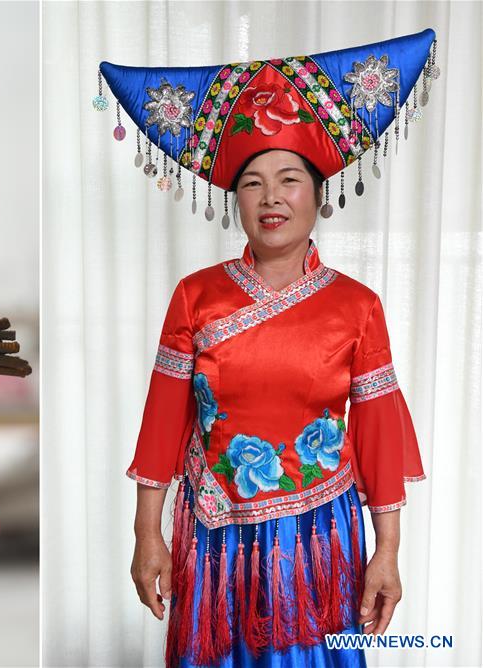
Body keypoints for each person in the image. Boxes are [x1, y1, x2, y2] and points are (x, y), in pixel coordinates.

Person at [98, 28, 437, 667]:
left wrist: (386, 552)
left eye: (289, 179)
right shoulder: (197, 297)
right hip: (213, 533)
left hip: (320, 536)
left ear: (319, 193)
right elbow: (164, 423)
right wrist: (147, 535)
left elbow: (379, 434)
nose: (272, 198)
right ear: (235, 200)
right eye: (253, 183)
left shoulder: (357, 306)